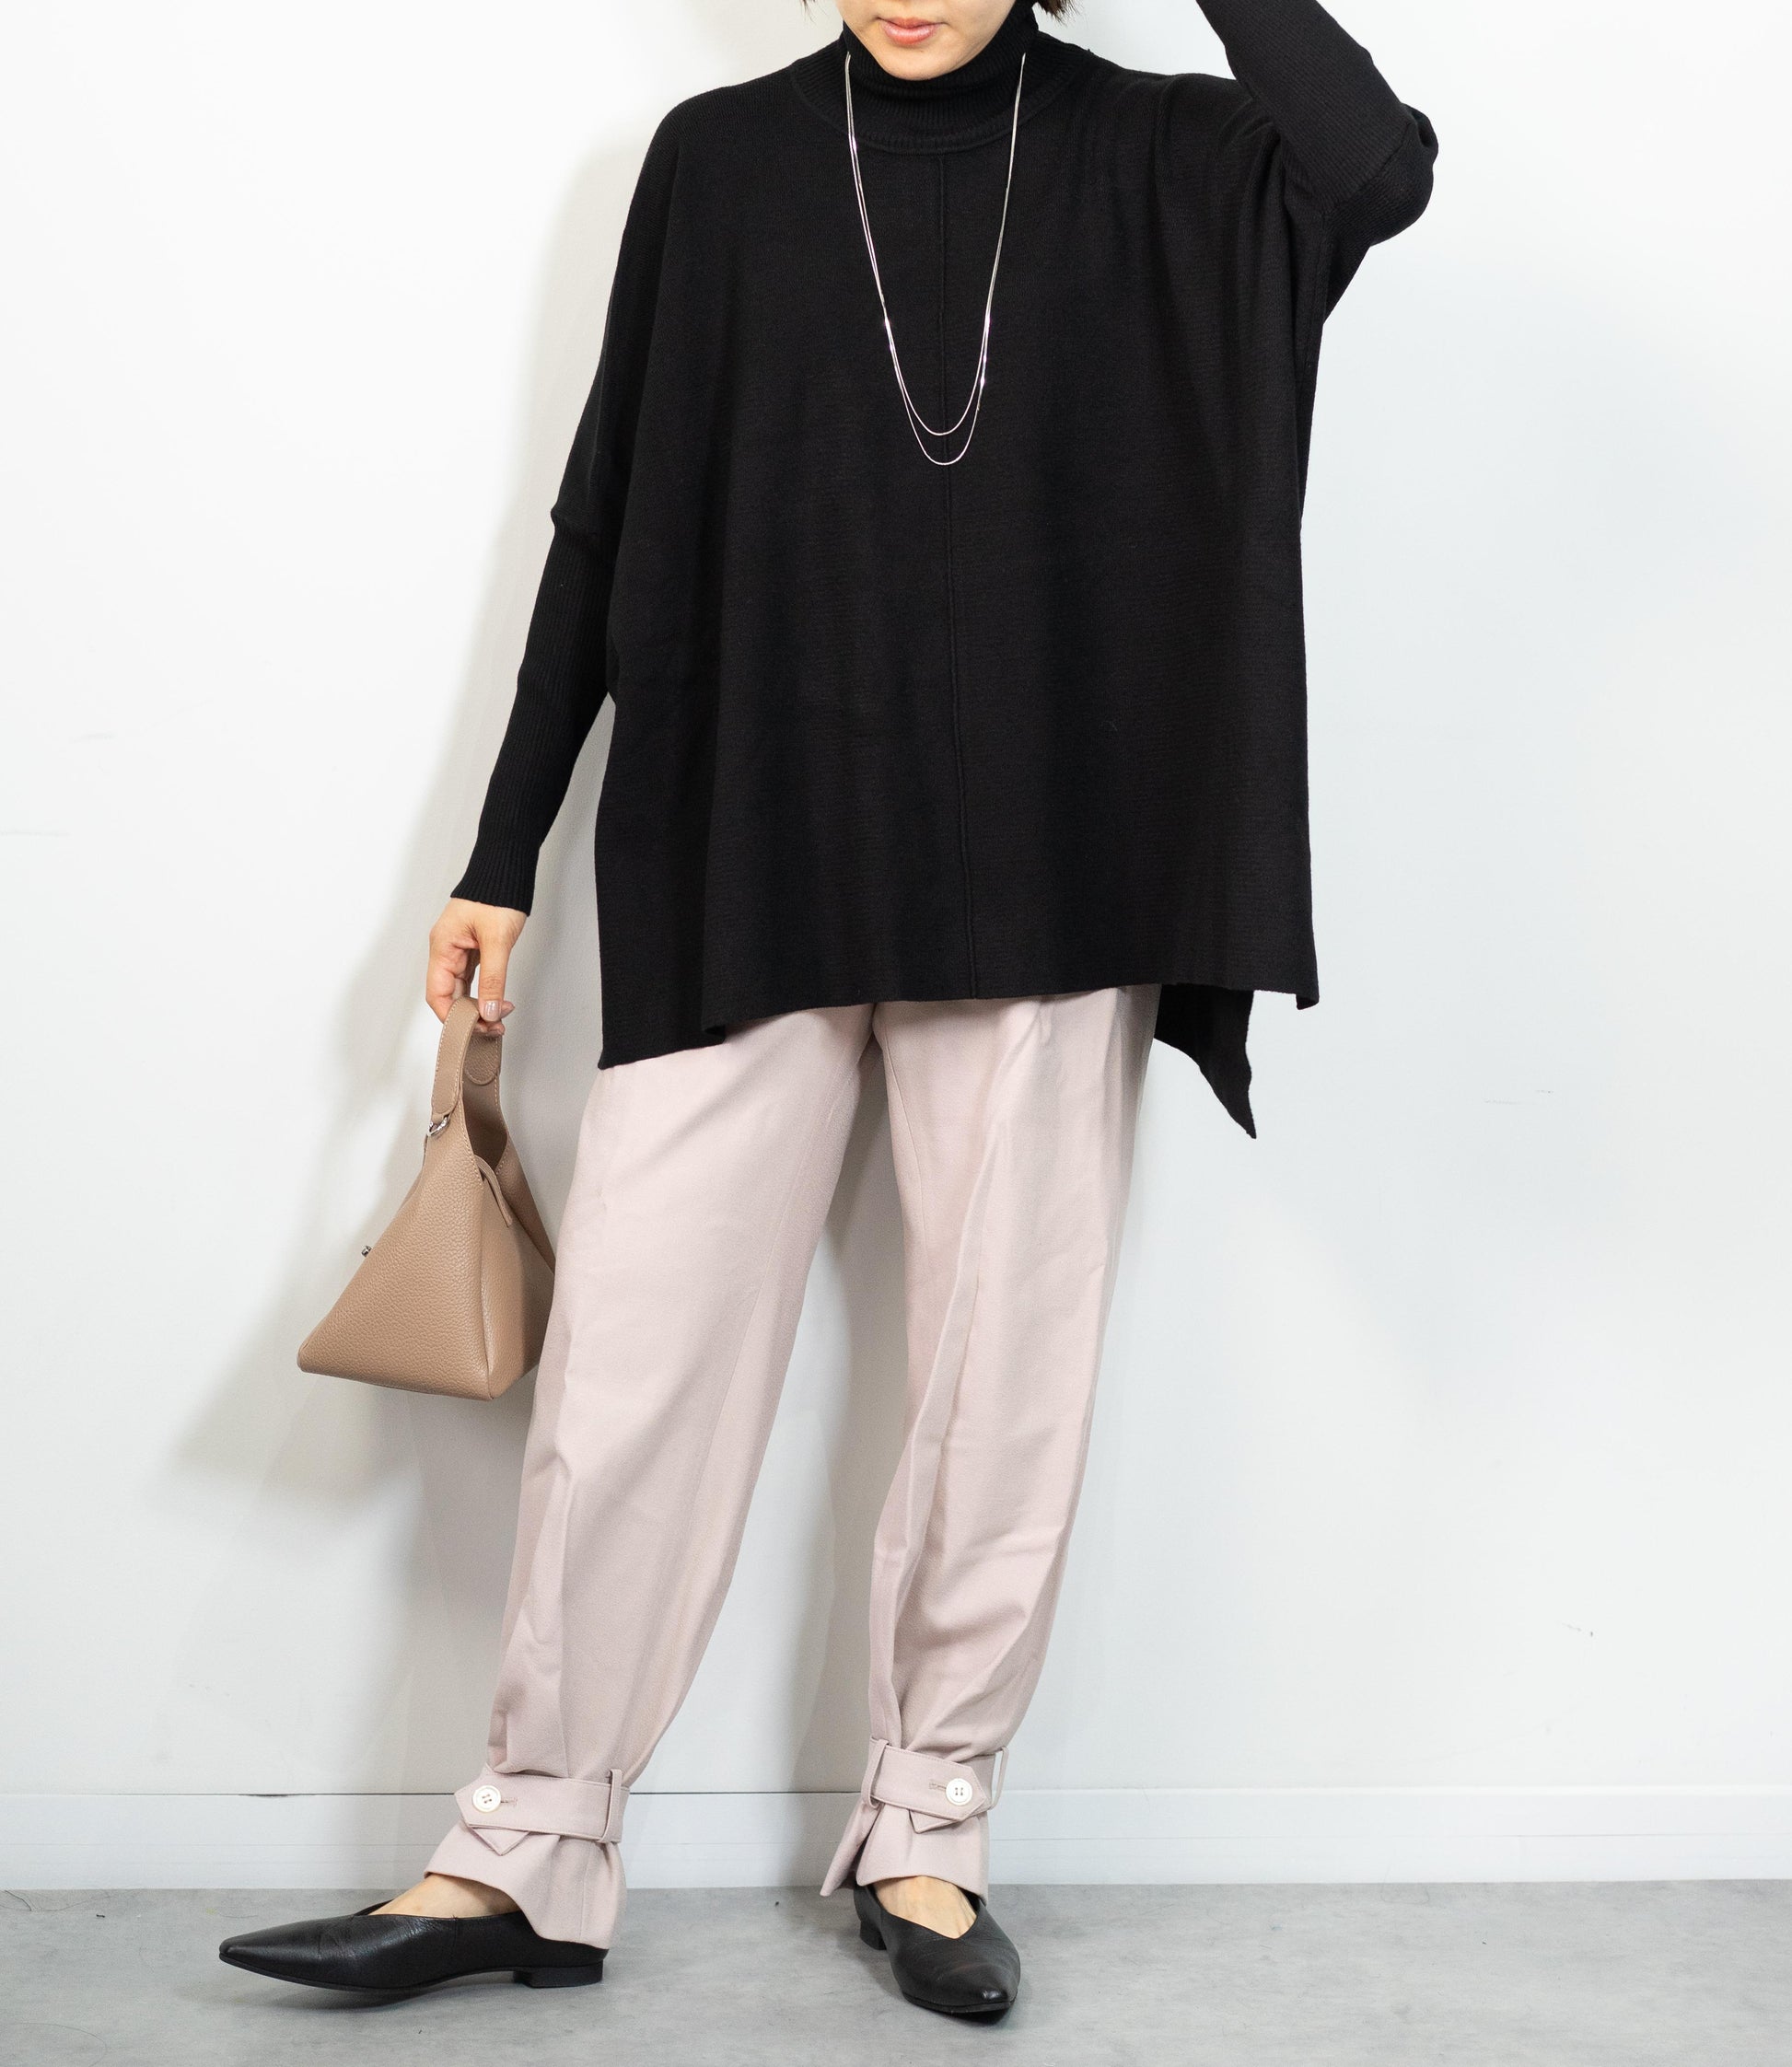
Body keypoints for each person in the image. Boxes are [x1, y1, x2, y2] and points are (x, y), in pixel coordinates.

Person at [219, 0, 1435, 2021]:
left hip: (1051, 857)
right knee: (632, 1366)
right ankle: (526, 1846)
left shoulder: (1162, 154)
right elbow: (603, 511)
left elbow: (1370, 168)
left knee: (999, 1369)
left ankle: (927, 1828)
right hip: (745, 832)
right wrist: (501, 848)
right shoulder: (720, 163)